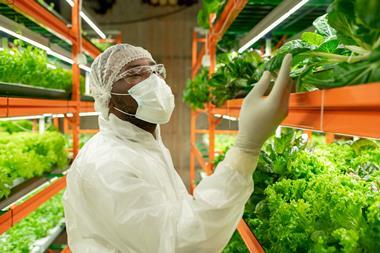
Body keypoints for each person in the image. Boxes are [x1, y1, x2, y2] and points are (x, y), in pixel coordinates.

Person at [63, 43, 292, 253]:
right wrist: (246, 148)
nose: (153, 81)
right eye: (134, 74)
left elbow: (171, 215)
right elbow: (179, 243)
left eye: (155, 71)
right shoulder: (108, 165)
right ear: (107, 97)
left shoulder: (144, 144)